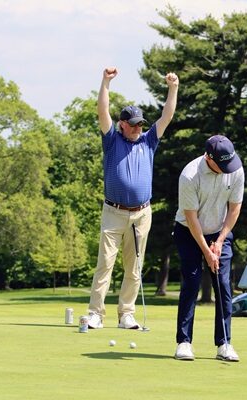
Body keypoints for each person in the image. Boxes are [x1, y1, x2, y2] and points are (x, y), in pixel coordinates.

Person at [86, 67, 179, 329]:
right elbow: (102, 111)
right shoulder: (112, 140)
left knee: (134, 267)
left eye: (141, 124)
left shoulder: (149, 141)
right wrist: (105, 81)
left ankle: (127, 313)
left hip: (141, 214)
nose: (139, 128)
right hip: (113, 212)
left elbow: (167, 116)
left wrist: (173, 88)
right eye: (134, 124)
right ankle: (96, 313)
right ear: (123, 125)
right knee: (105, 264)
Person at [173, 135, 245, 361]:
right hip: (189, 231)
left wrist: (220, 240)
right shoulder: (190, 175)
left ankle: (224, 344)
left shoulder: (235, 169)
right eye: (221, 165)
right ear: (208, 158)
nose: (226, 170)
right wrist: (206, 250)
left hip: (219, 231)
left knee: (223, 284)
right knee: (192, 282)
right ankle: (184, 342)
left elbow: (234, 209)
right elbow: (191, 219)